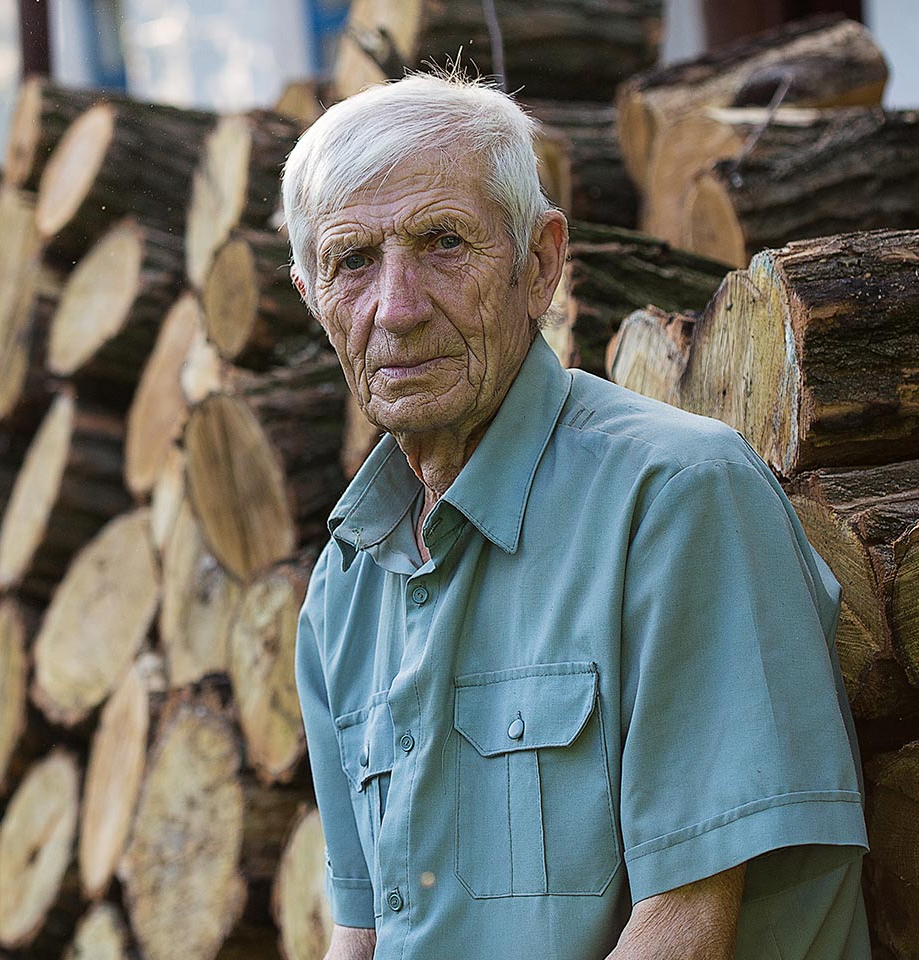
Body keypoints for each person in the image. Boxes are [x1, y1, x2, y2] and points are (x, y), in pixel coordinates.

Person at [284, 71, 870, 960]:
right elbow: (362, 935)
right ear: (310, 296)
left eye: (443, 244)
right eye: (352, 261)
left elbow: (686, 929)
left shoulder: (677, 498)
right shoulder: (346, 583)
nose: (394, 309)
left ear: (542, 265)